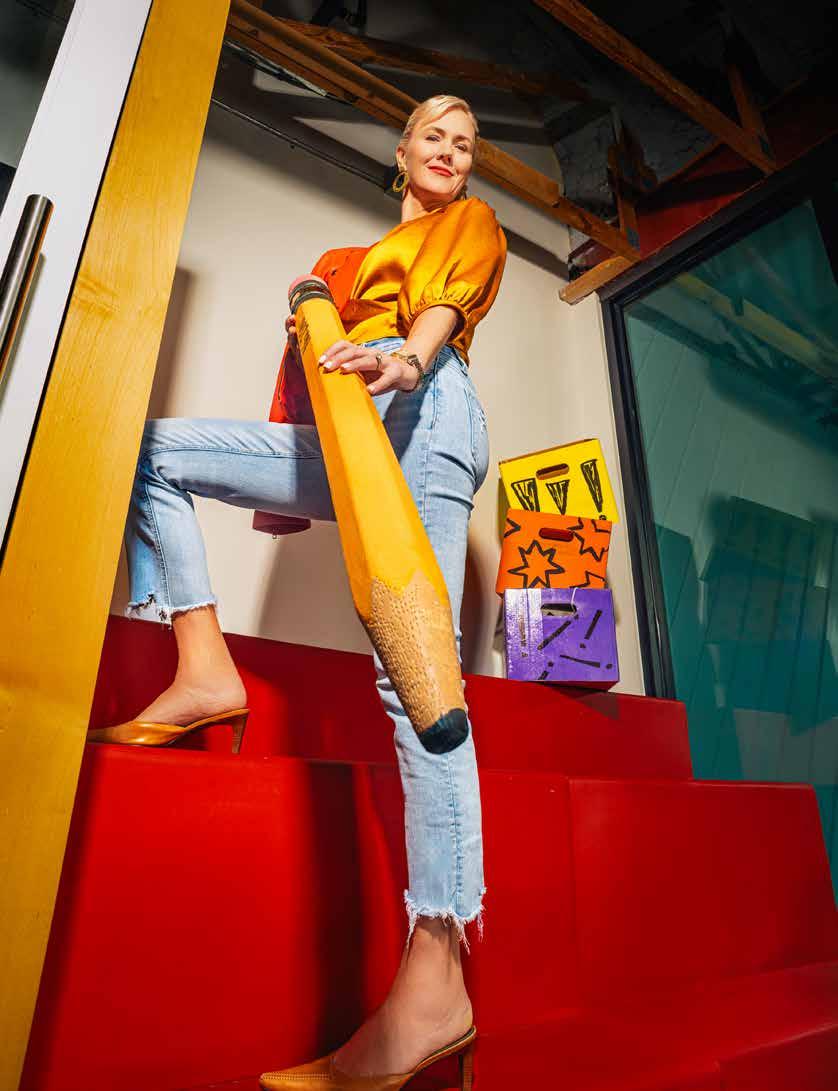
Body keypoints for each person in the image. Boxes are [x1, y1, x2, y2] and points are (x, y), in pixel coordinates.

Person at [89, 94, 506, 1091]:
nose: (450, 150)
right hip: (350, 421)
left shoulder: (470, 225)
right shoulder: (342, 265)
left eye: (465, 142)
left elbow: (443, 312)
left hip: (425, 405)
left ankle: (438, 980)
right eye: (433, 134)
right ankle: (204, 667)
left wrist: (405, 357)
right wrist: (326, 326)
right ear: (400, 150)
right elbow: (314, 366)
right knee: (155, 452)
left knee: (417, 675)